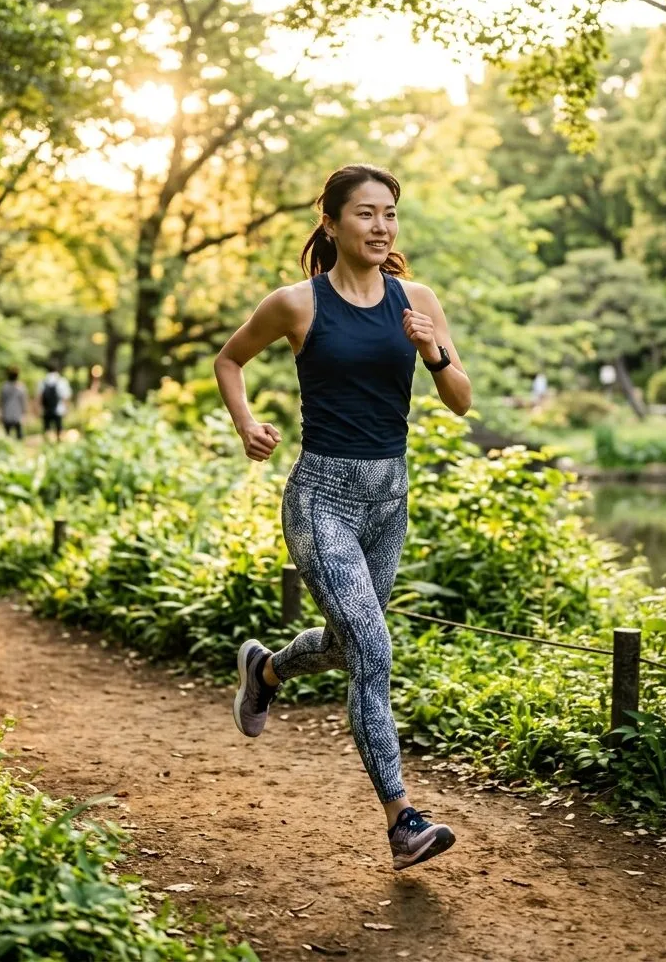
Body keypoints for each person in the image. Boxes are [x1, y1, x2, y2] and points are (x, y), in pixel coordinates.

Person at [214, 163, 472, 872]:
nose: (381, 225)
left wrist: (433, 351)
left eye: (389, 213)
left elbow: (460, 398)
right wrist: (246, 425)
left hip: (390, 503)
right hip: (320, 499)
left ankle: (266, 671)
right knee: (374, 650)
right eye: (365, 213)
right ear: (330, 223)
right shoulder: (297, 304)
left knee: (349, 645)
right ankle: (402, 820)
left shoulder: (416, 300)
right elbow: (229, 360)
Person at [37, 363, 71, 441]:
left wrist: (38, 408)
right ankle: (58, 443)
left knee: (46, 429)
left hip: (46, 409)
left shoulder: (43, 381)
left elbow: (39, 397)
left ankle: (47, 444)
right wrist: (66, 408)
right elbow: (65, 396)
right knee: (58, 429)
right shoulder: (61, 381)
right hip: (58, 409)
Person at [0, 366, 28, 439]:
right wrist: (24, 414)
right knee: (19, 436)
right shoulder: (21, 387)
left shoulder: (4, 387)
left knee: (7, 436)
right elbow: (24, 402)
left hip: (6, 414)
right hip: (17, 415)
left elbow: (0, 401)